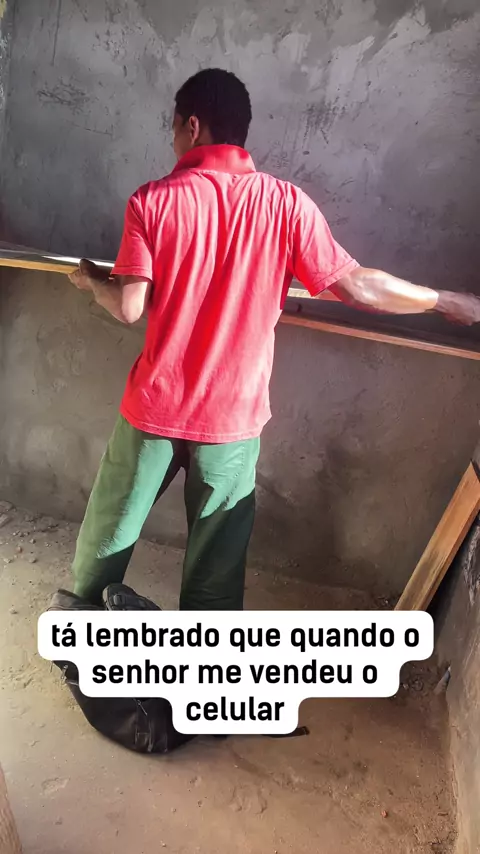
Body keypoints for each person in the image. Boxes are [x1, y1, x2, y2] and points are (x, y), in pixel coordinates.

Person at [68, 68, 480, 610]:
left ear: (193, 126)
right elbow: (357, 285)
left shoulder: (153, 201)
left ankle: (81, 635)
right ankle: (206, 658)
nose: (172, 142)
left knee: (105, 542)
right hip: (232, 421)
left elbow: (128, 306)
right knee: (215, 574)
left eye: (173, 129)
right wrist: (443, 300)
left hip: (153, 411)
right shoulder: (286, 204)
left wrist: (92, 280)